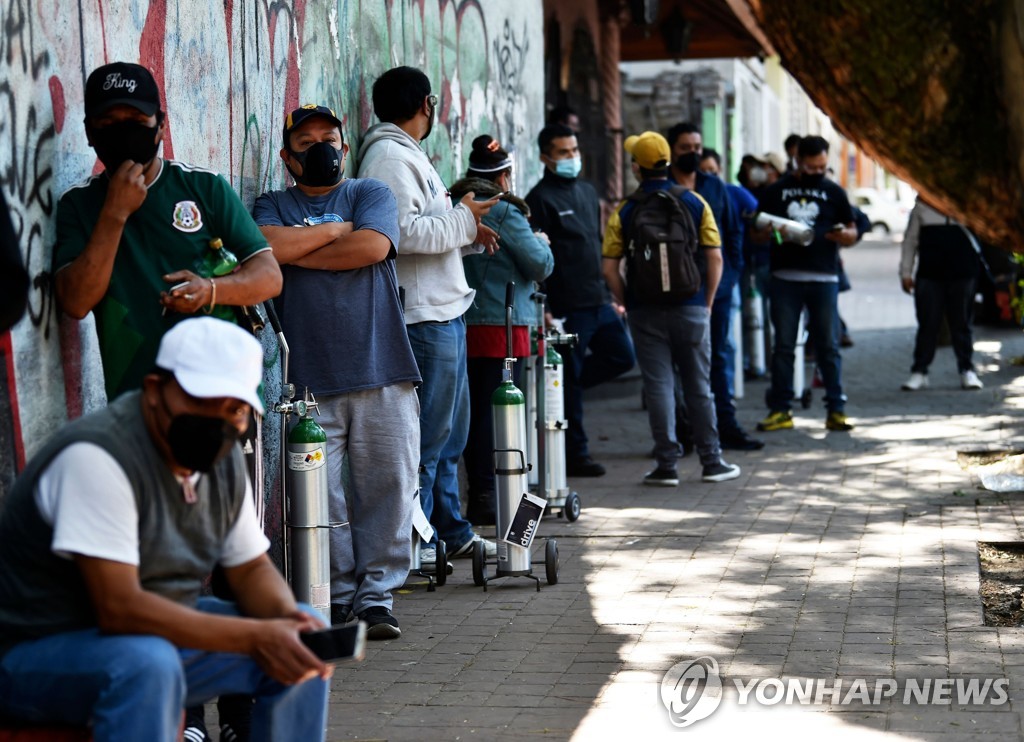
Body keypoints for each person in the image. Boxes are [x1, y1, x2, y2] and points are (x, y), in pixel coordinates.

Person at [0, 318, 330, 742]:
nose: (219, 420)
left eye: (234, 409)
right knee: (148, 663)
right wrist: (254, 634)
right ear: (155, 390)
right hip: (36, 652)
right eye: (202, 401)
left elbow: (249, 568)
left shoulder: (223, 455)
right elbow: (119, 609)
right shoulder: (98, 457)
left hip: (145, 640)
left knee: (306, 636)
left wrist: (284, 622)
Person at [253, 104, 421, 639]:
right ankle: (338, 595)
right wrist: (337, 234)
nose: (320, 148)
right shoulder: (272, 204)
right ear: (287, 156)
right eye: (306, 142)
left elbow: (372, 246)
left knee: (388, 489)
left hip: (382, 368)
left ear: (345, 148)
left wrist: (301, 249)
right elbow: (267, 247)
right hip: (306, 385)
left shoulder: (369, 194)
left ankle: (378, 597)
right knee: (319, 499)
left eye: (329, 138)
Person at [53, 62, 281, 401]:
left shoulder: (204, 187)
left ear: (160, 126)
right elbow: (76, 302)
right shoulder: (79, 204)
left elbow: (268, 277)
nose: (123, 133)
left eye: (135, 122)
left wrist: (210, 290)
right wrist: (115, 212)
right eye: (108, 124)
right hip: (137, 403)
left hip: (221, 399)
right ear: (90, 132)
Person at [356, 66, 499, 563]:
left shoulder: (406, 154)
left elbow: (431, 229)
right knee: (425, 441)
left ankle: (449, 532)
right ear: (426, 104)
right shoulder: (390, 157)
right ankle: (414, 547)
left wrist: (469, 234)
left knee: (448, 436)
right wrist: (464, 218)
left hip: (444, 311)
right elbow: (402, 234)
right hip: (422, 319)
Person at [602, 131, 740, 486]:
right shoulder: (695, 202)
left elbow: (609, 267)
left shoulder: (627, 209)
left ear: (637, 167)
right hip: (692, 306)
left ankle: (667, 465)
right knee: (699, 386)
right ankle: (712, 461)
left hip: (645, 310)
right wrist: (706, 302)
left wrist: (627, 301)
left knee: (659, 386)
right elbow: (715, 257)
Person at [451, 135, 555, 526]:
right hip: (502, 325)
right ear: (505, 176)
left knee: (476, 412)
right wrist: (543, 242)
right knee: (503, 415)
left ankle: (482, 492)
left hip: (465, 320)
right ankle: (495, 494)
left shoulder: (457, 202)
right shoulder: (506, 210)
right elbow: (539, 264)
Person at [525, 123, 636, 477]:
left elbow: (596, 243)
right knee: (569, 379)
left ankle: (561, 394)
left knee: (622, 356)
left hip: (599, 300)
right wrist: (546, 306)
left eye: (574, 150)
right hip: (567, 305)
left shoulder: (588, 192)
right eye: (563, 152)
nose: (572, 157)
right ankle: (577, 454)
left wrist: (612, 295)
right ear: (545, 157)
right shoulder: (539, 198)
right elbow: (536, 259)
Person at [667, 124, 762, 451]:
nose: (692, 151)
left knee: (718, 357)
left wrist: (729, 277)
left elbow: (733, 235)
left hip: (717, 289)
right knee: (677, 362)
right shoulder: (661, 188)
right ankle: (682, 432)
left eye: (696, 145)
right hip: (674, 292)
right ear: (671, 150)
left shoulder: (715, 186)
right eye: (684, 146)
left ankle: (727, 427)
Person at [756, 136, 858, 433]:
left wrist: (846, 237)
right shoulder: (776, 191)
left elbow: (851, 230)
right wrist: (773, 232)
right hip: (785, 279)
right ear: (797, 161)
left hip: (824, 278)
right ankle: (781, 409)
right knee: (784, 347)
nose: (818, 172)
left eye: (823, 167)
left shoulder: (834, 192)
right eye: (812, 167)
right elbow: (756, 233)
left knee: (829, 347)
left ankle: (836, 410)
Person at [899, 197, 984, 391]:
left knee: (962, 324)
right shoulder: (923, 205)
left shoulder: (970, 204)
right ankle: (920, 371)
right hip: (930, 274)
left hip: (963, 273)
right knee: (927, 324)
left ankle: (966, 369)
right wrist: (905, 272)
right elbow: (910, 240)